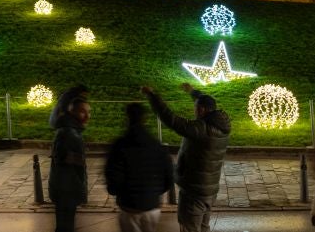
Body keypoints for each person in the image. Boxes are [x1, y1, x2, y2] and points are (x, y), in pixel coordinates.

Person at [144, 83, 231, 232]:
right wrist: (193, 93)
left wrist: (152, 96)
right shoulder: (220, 125)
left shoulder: (201, 129)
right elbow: (206, 101)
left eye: (196, 108)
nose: (194, 111)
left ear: (202, 110)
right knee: (203, 228)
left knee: (188, 228)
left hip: (194, 192)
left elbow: (171, 120)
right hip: (209, 190)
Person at [106, 101, 174, 232]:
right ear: (144, 119)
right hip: (152, 205)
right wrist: (155, 193)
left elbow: (113, 175)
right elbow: (169, 176)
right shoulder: (157, 145)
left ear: (127, 118)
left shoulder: (120, 145)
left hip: (129, 205)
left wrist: (117, 192)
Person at [47, 84, 90, 232]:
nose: (88, 116)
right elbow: (61, 157)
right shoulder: (68, 132)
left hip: (66, 188)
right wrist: (79, 158)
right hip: (67, 190)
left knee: (65, 225)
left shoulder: (70, 130)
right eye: (83, 112)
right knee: (65, 227)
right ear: (72, 112)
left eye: (88, 112)